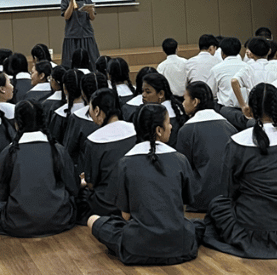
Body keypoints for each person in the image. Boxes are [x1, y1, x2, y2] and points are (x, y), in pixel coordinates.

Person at [200, 83, 277, 259]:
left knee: (218, 205)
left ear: (249, 111)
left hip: (258, 226)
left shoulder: (238, 142)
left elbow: (228, 189)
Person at [87, 104, 200, 266]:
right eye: (168, 123)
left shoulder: (124, 163)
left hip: (137, 248)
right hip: (181, 248)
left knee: (94, 220)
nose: (171, 126)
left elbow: (126, 216)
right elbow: (182, 208)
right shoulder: (180, 159)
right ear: (159, 131)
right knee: (196, 225)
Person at [0, 100, 78, 237]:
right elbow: (73, 188)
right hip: (60, 220)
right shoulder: (58, 149)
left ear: (17, 123)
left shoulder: (8, 153)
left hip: (17, 224)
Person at [176, 82, 237, 211]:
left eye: (185, 98)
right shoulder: (230, 127)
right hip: (229, 198)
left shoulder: (186, 130)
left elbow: (182, 169)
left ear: (195, 102)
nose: (182, 103)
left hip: (200, 199)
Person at [81, 88, 137, 218]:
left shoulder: (93, 141)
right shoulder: (135, 129)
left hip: (108, 203)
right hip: (136, 199)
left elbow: (91, 184)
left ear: (97, 110)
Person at [61, 0, 99, 70]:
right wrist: (71, 2)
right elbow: (66, 16)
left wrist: (90, 10)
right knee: (72, 61)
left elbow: (92, 17)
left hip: (86, 33)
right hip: (72, 34)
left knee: (91, 60)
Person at [140, 72, 187, 147]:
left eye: (148, 92)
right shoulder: (177, 110)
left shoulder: (161, 117)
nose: (143, 95)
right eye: (142, 91)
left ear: (161, 94)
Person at [211, 37, 247, 108]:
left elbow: (213, 93)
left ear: (222, 53)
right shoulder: (248, 67)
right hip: (246, 107)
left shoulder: (216, 69)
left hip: (225, 108)